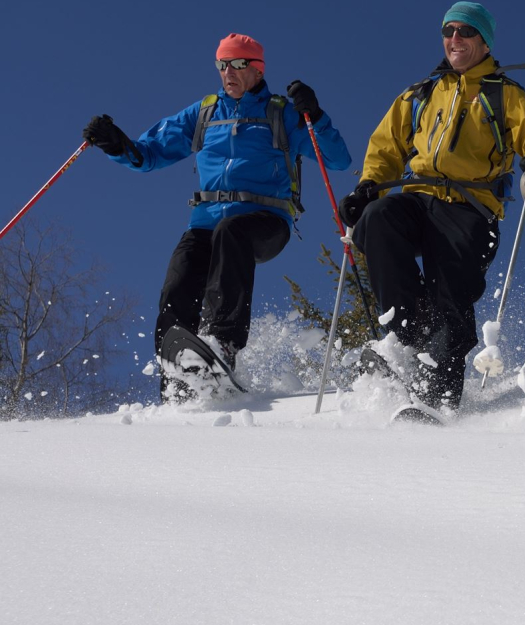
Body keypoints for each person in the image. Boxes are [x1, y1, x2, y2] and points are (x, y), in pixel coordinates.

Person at [82, 33, 349, 399]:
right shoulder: (204, 113)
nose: (229, 72)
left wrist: (315, 116)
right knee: (182, 273)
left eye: (238, 64)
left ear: (257, 69)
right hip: (206, 223)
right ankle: (178, 375)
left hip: (266, 221)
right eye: (222, 64)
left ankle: (221, 344)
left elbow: (337, 159)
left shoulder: (280, 112)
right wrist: (116, 144)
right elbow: (148, 154)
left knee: (232, 231)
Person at [338, 1, 525, 412]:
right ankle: (406, 335)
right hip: (417, 197)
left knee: (450, 294)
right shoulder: (422, 93)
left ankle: (436, 395)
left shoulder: (503, 94)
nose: (455, 38)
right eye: (449, 30)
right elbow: (386, 146)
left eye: (466, 31)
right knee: (379, 218)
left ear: (484, 41)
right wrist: (368, 186)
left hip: (470, 206)